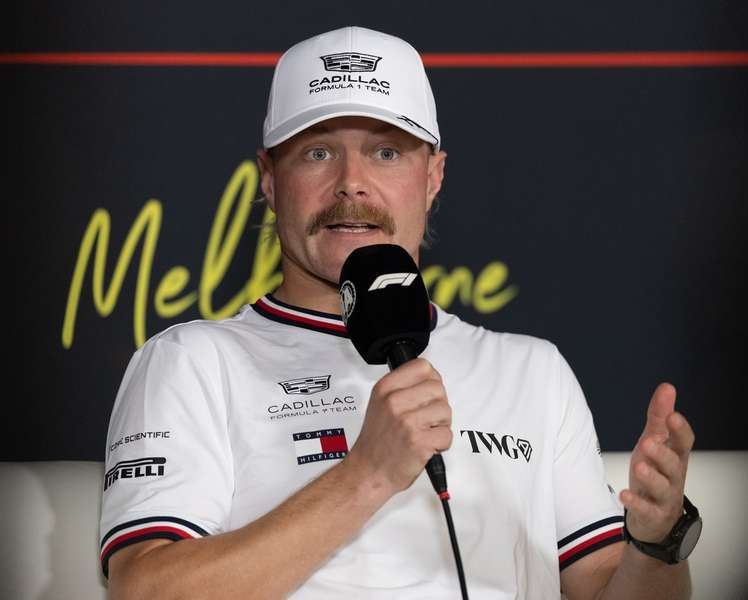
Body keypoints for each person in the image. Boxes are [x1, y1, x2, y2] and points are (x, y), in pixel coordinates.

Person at [100, 26, 698, 599]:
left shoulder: (533, 371)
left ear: (433, 176)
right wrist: (368, 476)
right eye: (317, 151)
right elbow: (146, 589)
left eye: (386, 152)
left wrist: (655, 546)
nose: (351, 184)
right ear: (270, 181)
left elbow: (607, 589)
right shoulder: (190, 362)